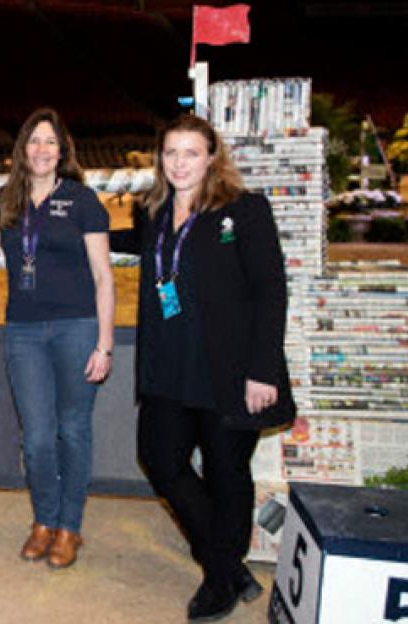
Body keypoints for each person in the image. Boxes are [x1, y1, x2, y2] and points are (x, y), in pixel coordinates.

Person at [111, 114, 294, 622]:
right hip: (167, 366)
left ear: (212, 157)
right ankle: (228, 565)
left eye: (190, 153)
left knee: (226, 473)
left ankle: (218, 579)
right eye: (171, 153)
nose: (179, 163)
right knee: (159, 458)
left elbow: (270, 291)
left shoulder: (244, 209)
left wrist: (263, 370)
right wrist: (73, 236)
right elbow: (132, 244)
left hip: (229, 370)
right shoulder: (152, 210)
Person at [0, 108, 114, 569]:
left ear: (62, 150)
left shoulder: (83, 200)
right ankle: (44, 519)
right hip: (23, 331)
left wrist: (104, 344)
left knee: (73, 430)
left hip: (77, 327)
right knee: (38, 438)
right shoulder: (5, 199)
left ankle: (69, 526)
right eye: (34, 141)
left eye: (50, 142)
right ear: (22, 149)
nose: (42, 149)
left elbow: (103, 276)